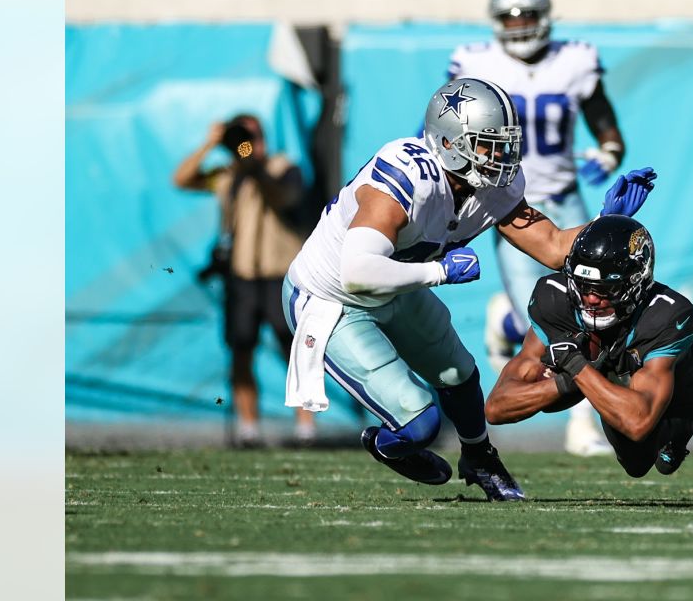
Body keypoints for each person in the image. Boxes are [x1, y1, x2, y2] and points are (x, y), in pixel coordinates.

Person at [281, 77, 657, 500]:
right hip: (333, 299)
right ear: (447, 141)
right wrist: (439, 272)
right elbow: (356, 270)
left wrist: (605, 222)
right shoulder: (407, 179)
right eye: (487, 144)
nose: (501, 156)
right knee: (420, 424)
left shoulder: (491, 187)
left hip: (395, 287)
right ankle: (386, 444)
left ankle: (480, 458)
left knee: (460, 374)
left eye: (505, 144)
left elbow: (553, 247)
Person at [450, 0, 627, 456]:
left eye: (526, 14)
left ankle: (581, 425)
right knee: (556, 320)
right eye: (509, 16)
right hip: (509, 204)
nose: (518, 24)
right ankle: (578, 420)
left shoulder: (574, 60)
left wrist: (609, 152)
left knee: (595, 308)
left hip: (566, 195)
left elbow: (605, 124)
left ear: (545, 15)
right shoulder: (476, 63)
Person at [485, 216, 693, 477]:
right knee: (637, 465)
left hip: (684, 384)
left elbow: (638, 422)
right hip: (619, 390)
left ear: (636, 283)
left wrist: (577, 367)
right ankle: (674, 429)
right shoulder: (555, 301)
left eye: (605, 289)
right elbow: (496, 408)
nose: (591, 299)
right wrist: (570, 380)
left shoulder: (664, 315)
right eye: (584, 286)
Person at [173, 114, 315, 447]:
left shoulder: (283, 168)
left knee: (292, 350)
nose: (248, 143)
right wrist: (213, 142)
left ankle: (306, 429)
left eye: (252, 136)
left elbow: (284, 198)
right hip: (241, 278)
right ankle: (249, 430)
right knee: (241, 350)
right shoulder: (227, 176)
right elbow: (182, 179)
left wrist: (255, 167)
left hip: (281, 276)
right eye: (242, 137)